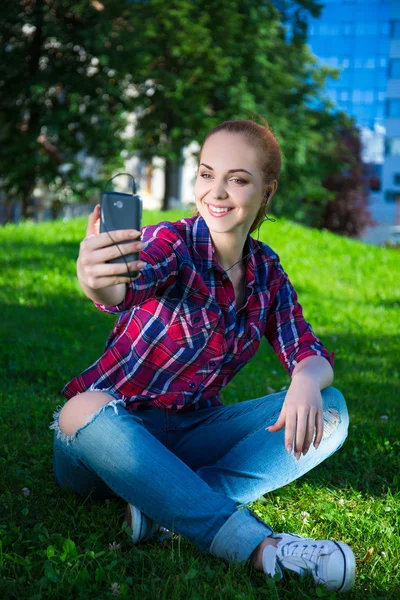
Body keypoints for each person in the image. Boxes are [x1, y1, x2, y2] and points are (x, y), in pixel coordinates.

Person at [50, 119, 355, 592]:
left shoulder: (266, 271)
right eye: (207, 173)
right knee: (81, 409)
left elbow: (307, 349)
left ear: (265, 191)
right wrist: (96, 278)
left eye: (237, 178)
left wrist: (305, 380)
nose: (217, 191)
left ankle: (166, 509)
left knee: (331, 408)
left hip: (189, 431)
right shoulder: (172, 242)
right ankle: (261, 549)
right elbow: (123, 286)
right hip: (107, 441)